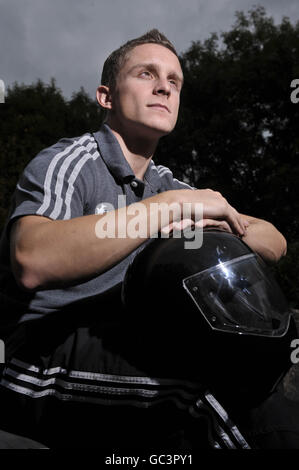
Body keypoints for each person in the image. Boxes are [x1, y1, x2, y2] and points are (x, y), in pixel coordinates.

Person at [0, 29, 290, 449]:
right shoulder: (70, 161)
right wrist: (165, 209)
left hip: (115, 341)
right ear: (106, 97)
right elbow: (32, 258)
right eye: (146, 74)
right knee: (207, 396)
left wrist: (216, 224)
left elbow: (274, 240)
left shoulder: (167, 185)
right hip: (30, 353)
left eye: (174, 82)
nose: (164, 87)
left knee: (254, 378)